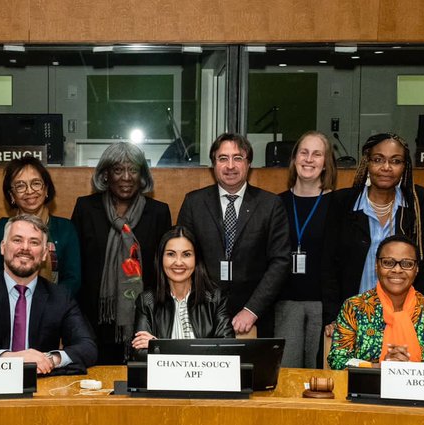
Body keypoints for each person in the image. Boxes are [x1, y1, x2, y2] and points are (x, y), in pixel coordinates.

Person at [176, 133, 291, 336]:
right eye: (223, 158)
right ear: (213, 165)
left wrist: (252, 310)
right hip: (202, 314)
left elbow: (280, 262)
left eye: (238, 158)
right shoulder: (194, 203)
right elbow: (182, 257)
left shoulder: (270, 205)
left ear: (248, 165)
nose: (230, 166)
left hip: (254, 317)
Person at [322, 132, 424, 338]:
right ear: (367, 163)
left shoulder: (418, 202)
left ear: (405, 167)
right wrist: (333, 316)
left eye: (396, 161)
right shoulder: (342, 202)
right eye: (378, 159)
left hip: (404, 317)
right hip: (352, 318)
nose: (386, 168)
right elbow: (328, 265)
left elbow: (423, 264)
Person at [0, 214, 97, 375]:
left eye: (34, 242)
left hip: (41, 388)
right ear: (2, 247)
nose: (25, 248)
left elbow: (87, 347)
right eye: (17, 240)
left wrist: (49, 359)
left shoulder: (60, 296)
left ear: (44, 254)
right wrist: (10, 359)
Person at [71, 142, 172, 364]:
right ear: (106, 175)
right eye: (118, 170)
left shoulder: (158, 212)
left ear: (142, 175)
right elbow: (77, 265)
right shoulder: (86, 209)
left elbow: (164, 270)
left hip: (143, 320)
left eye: (133, 170)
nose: (126, 177)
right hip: (94, 318)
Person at [327, 235, 424, 369]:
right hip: (367, 389)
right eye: (388, 262)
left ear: (416, 269)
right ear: (376, 266)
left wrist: (410, 372)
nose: (397, 270)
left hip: (421, 389)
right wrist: (379, 367)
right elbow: (338, 359)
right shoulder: (354, 307)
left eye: (407, 264)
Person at [274, 131, 336, 368]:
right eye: (304, 152)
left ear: (325, 163)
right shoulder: (275, 204)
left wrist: (334, 311)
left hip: (323, 306)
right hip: (285, 303)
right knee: (284, 375)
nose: (309, 159)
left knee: (320, 376)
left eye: (317, 154)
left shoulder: (338, 205)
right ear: (294, 159)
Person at [0, 156, 80, 298]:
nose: (29, 191)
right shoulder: (1, 229)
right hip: (8, 307)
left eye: (36, 183)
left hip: (57, 309)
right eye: (20, 186)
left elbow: (73, 280)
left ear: (46, 189)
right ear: (12, 195)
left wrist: (50, 305)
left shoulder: (65, 229)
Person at [130, 226, 233, 358]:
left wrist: (158, 346)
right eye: (171, 254)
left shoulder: (216, 298)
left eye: (187, 254)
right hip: (163, 378)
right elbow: (140, 353)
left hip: (206, 378)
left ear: (196, 260)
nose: (178, 262)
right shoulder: (147, 301)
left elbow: (227, 351)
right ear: (161, 259)